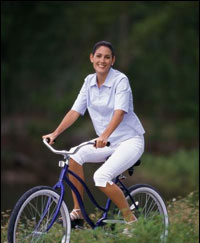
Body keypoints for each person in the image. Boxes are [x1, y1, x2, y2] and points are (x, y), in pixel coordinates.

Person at [42, 40, 145, 227]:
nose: (102, 60)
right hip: (106, 142)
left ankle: (131, 221)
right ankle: (78, 212)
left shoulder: (120, 80)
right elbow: (75, 111)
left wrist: (104, 135)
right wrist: (55, 133)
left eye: (107, 57)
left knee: (101, 177)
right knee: (74, 155)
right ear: (91, 58)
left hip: (130, 141)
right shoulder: (88, 81)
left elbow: (119, 112)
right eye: (98, 56)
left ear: (113, 60)